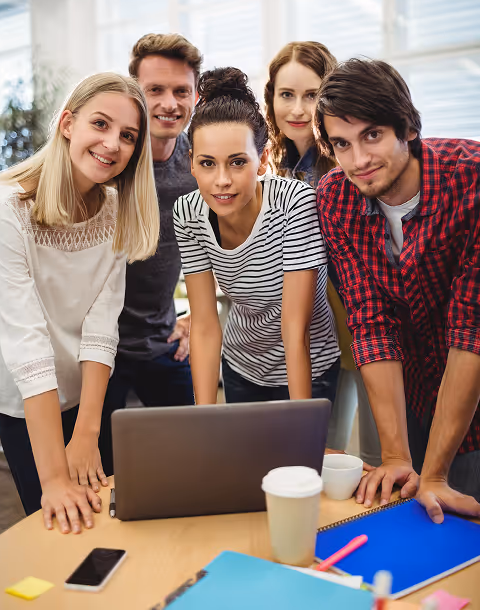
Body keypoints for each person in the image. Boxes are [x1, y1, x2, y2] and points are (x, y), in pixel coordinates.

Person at [0, 73, 159, 532]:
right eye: (101, 124)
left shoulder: (117, 207)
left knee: (111, 522)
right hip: (26, 401)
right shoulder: (2, 209)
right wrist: (55, 476)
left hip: (90, 395)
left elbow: (102, 324)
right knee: (58, 525)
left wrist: (86, 432)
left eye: (128, 136)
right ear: (67, 124)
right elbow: (26, 341)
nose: (113, 143)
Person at [314, 57, 480, 523]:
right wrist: (395, 457)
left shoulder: (471, 178)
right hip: (412, 395)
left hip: (473, 390)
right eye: (342, 144)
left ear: (406, 125)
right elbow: (370, 323)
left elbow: (471, 329)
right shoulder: (335, 196)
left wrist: (436, 473)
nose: (359, 161)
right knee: (417, 519)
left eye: (372, 135)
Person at [173, 67, 340, 405]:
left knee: (301, 454)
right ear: (191, 163)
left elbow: (296, 331)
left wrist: (301, 421)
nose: (221, 180)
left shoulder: (295, 204)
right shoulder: (188, 213)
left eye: (237, 162)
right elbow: (205, 326)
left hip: (310, 367)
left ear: (262, 160)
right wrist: (203, 420)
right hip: (242, 365)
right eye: (207, 163)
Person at [264, 41, 381, 464]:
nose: (297, 109)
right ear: (271, 98)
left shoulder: (348, 162)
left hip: (366, 323)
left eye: (311, 95)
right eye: (286, 95)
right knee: (320, 450)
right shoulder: (276, 166)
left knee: (379, 453)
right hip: (314, 332)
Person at [99, 34, 201, 476]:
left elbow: (222, 243)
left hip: (162, 339)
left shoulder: (201, 160)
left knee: (193, 460)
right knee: (101, 475)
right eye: (155, 90)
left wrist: (198, 316)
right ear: (134, 93)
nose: (169, 103)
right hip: (99, 346)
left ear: (196, 95)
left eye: (181, 91)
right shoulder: (110, 159)